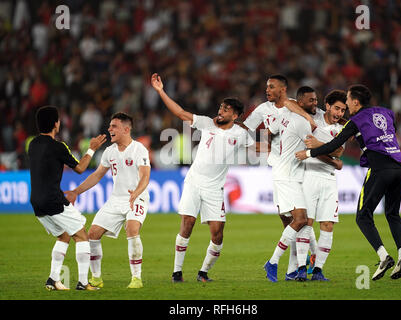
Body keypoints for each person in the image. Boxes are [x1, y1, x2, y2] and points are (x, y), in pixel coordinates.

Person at [151, 73, 257, 283]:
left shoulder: (241, 133)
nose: (220, 111)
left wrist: (285, 148)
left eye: (226, 109)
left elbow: (258, 148)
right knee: (187, 224)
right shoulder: (207, 124)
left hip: (215, 188)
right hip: (194, 182)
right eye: (220, 107)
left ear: (235, 116)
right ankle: (177, 272)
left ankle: (203, 273)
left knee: (217, 235)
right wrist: (160, 91)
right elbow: (181, 113)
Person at [296, 84, 401, 281]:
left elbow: (333, 145)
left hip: (380, 169)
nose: (346, 105)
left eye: (348, 100)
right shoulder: (387, 112)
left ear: (356, 102)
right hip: (400, 167)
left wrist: (308, 153)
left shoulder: (355, 121)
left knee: (363, 217)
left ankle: (384, 257)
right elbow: (391, 130)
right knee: (392, 213)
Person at [242, 79, 318, 279]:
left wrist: (306, 119)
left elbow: (289, 105)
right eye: (266, 86)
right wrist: (258, 146)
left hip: (295, 169)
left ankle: (295, 267)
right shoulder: (264, 109)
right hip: (281, 168)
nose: (267, 90)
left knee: (299, 220)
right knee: (292, 222)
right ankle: (301, 263)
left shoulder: (291, 107)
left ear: (283, 89)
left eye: (271, 87)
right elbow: (246, 129)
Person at [65, 112, 151, 289]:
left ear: (126, 129)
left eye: (114, 126)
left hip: (137, 198)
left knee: (132, 228)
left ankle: (136, 278)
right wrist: (75, 192)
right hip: (115, 200)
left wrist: (136, 193)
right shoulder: (109, 152)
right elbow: (97, 175)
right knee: (92, 234)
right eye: (110, 126)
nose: (109, 129)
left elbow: (145, 176)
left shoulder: (139, 149)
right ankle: (96, 278)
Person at [28, 105, 106, 291]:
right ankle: (83, 282)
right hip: (54, 200)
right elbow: (79, 168)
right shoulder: (58, 147)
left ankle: (53, 279)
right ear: (56, 124)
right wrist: (91, 149)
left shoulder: (32, 144)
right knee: (81, 235)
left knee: (64, 235)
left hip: (36, 202)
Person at [299, 89, 347, 281]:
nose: (339, 113)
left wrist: (319, 146)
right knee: (306, 222)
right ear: (326, 106)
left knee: (327, 224)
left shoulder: (342, 128)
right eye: (336, 108)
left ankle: (318, 270)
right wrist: (333, 159)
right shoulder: (313, 117)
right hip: (309, 175)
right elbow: (292, 102)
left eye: (343, 111)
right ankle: (302, 268)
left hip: (329, 178)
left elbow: (339, 152)